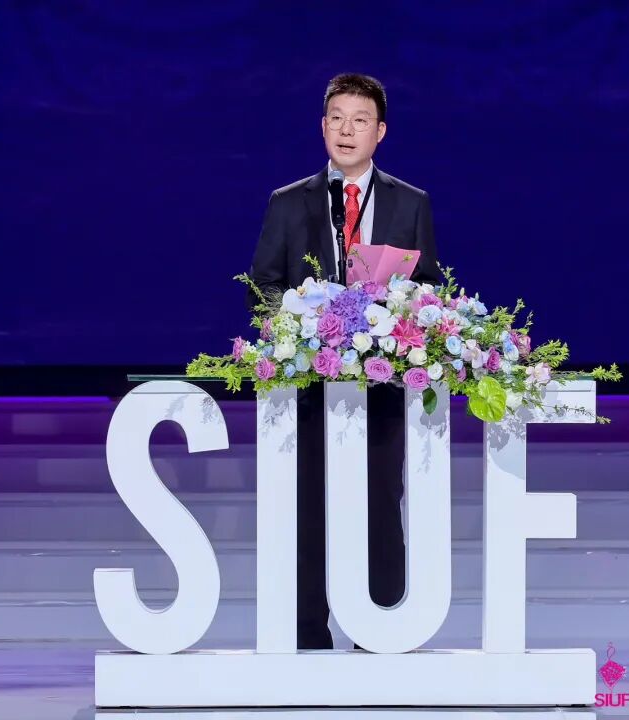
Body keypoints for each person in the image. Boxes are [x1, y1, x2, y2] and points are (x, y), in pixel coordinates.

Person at [248, 72, 441, 649]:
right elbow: (263, 287)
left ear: (380, 132)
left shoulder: (410, 203)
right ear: (322, 126)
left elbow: (429, 287)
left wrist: (395, 321)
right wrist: (300, 322)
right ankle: (308, 633)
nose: (346, 130)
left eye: (360, 120)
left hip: (381, 388)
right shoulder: (289, 203)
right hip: (310, 388)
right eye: (336, 118)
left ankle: (380, 628)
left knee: (380, 500)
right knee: (309, 503)